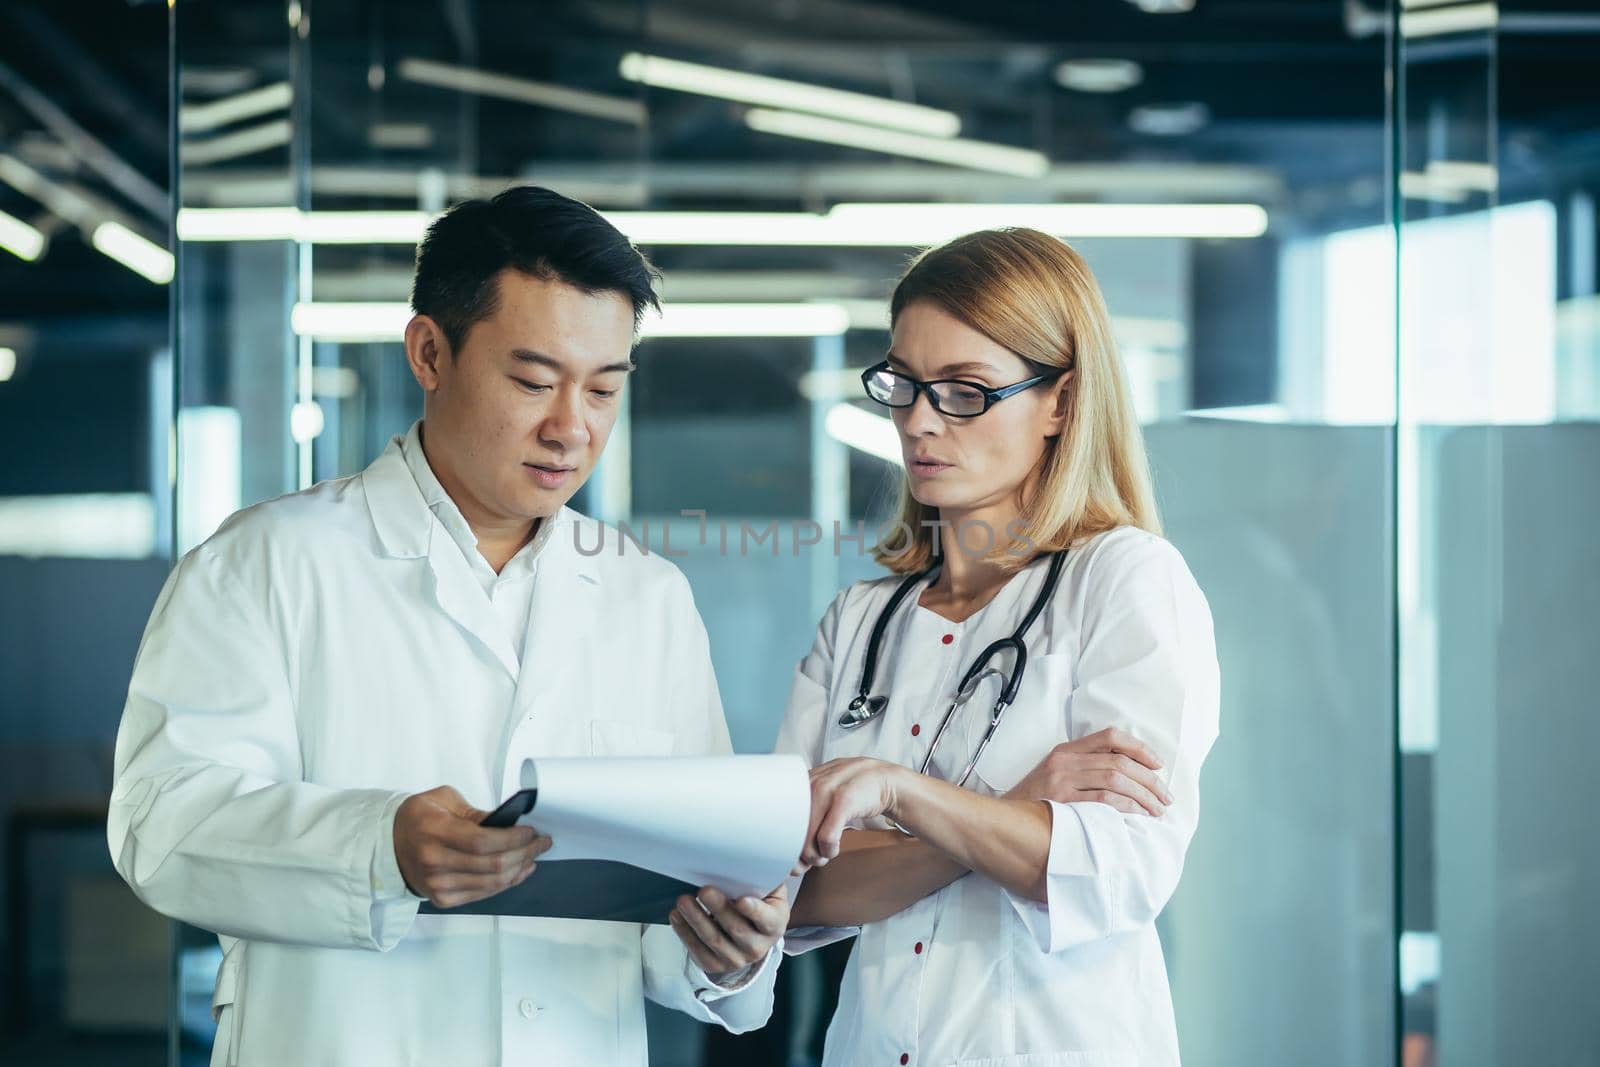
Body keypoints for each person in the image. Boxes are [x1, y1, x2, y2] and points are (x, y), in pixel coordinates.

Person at [107, 186, 789, 1066]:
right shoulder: (267, 563)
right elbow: (160, 824)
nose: (570, 427)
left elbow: (684, 887)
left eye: (604, 389)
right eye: (533, 381)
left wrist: (727, 949)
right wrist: (377, 844)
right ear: (430, 352)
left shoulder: (645, 595)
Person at [777, 228, 1220, 1066]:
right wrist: (1015, 807)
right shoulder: (860, 621)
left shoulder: (1125, 580)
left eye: (965, 391)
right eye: (903, 384)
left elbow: (1115, 873)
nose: (918, 421)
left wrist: (904, 796)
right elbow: (796, 895)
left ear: (1061, 401)